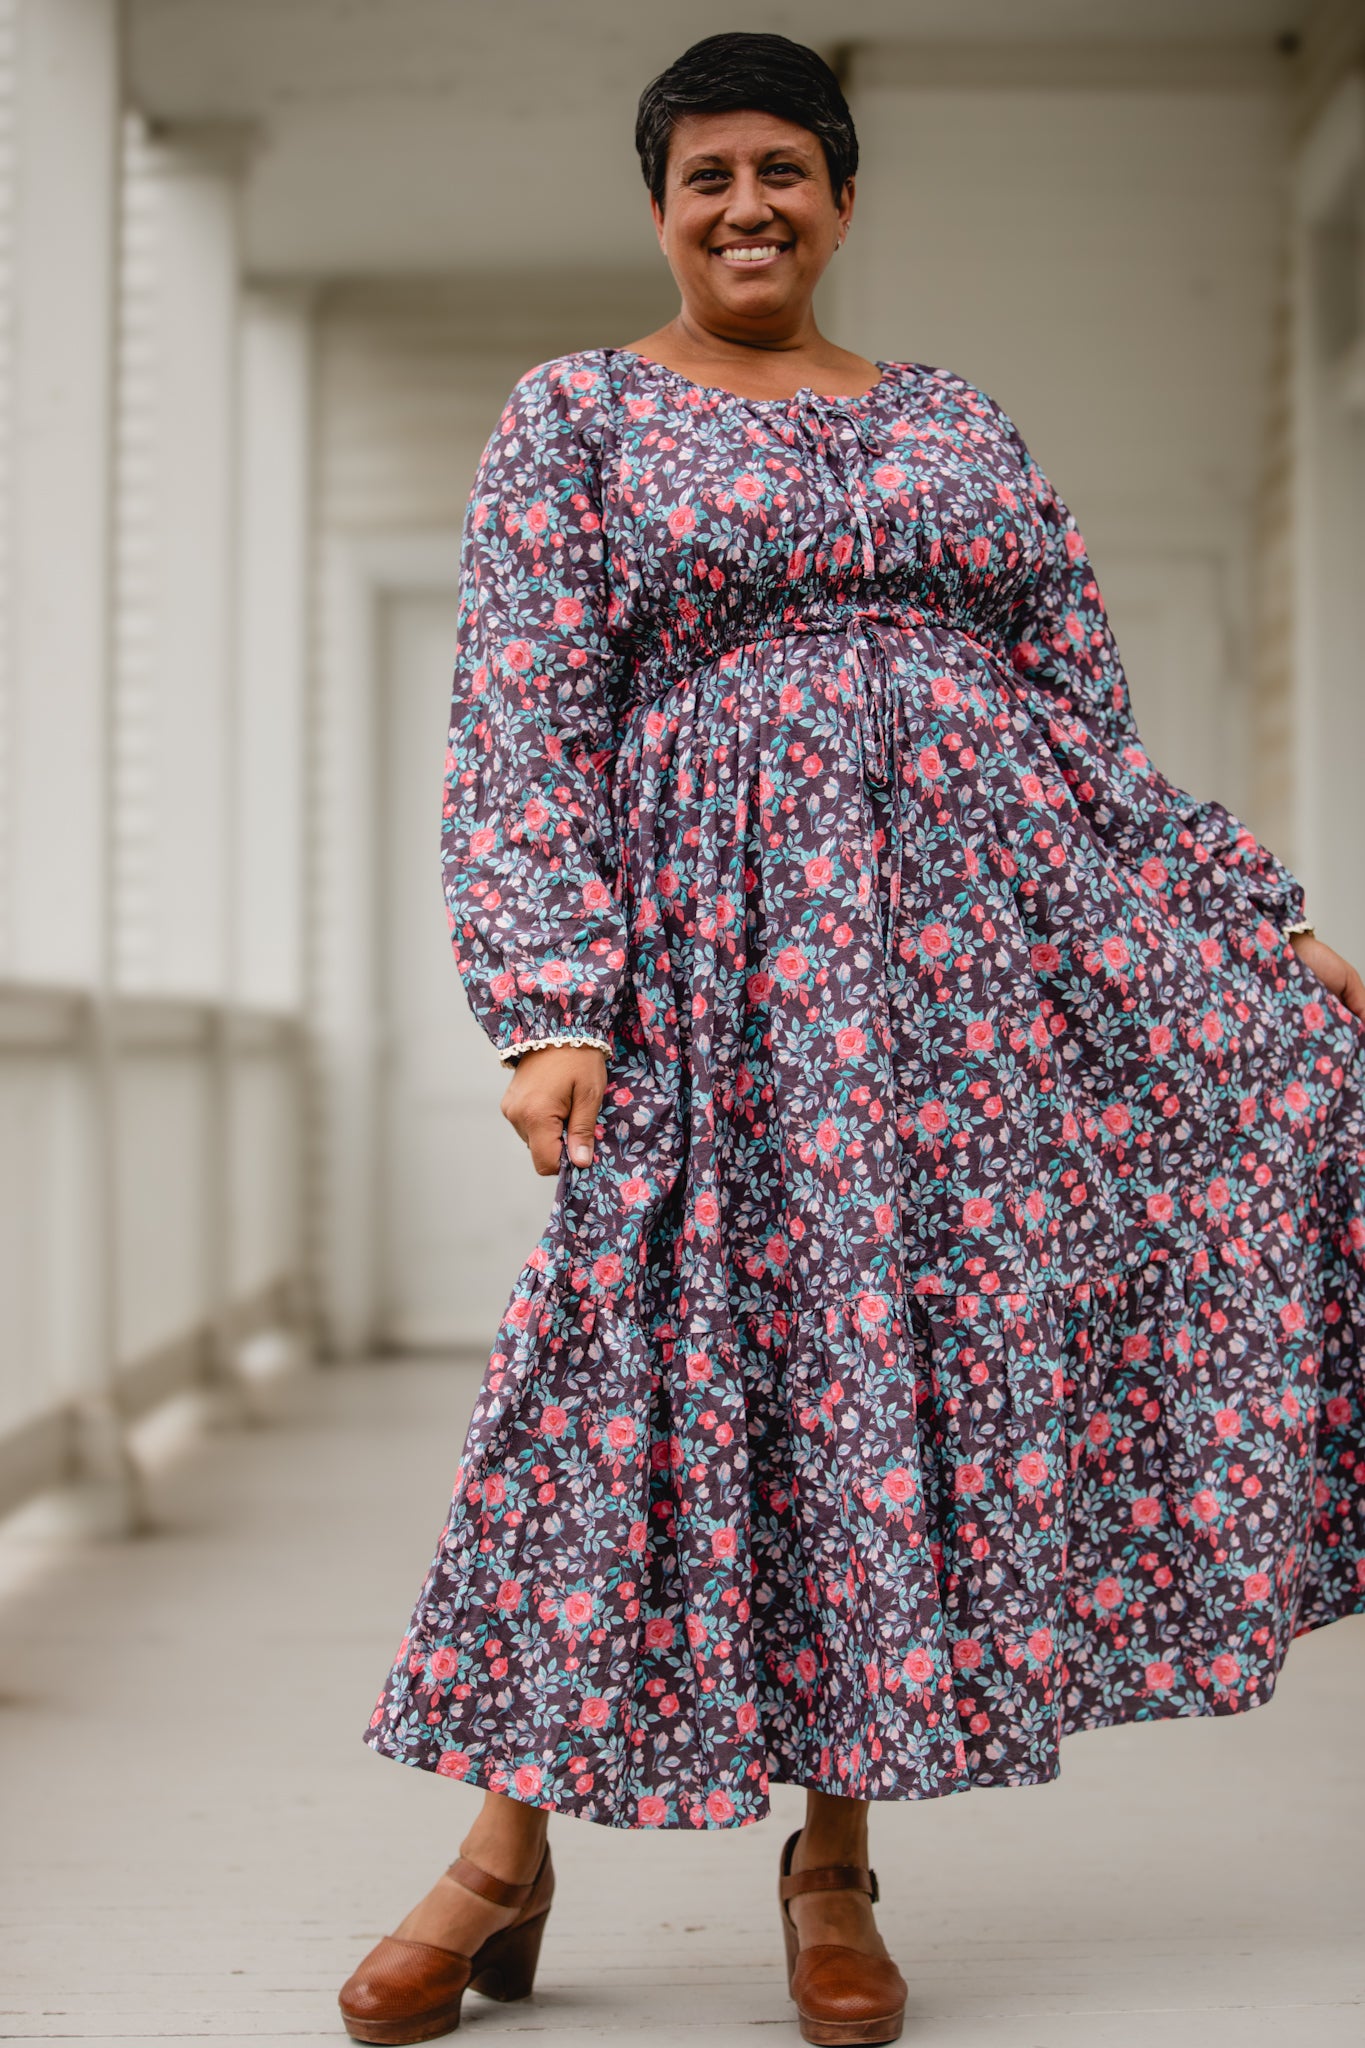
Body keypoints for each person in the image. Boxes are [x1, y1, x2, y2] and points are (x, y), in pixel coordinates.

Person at [339, 32, 1365, 2048]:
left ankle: (833, 1860)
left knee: (876, 1391)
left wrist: (1256, 923)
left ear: (839, 196)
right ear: (660, 206)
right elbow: (521, 719)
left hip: (960, 996)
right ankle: (500, 1847)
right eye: (707, 174)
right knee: (623, 1377)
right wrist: (551, 1002)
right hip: (709, 988)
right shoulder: (574, 416)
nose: (747, 205)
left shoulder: (953, 420)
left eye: (782, 170)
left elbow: (1077, 723)